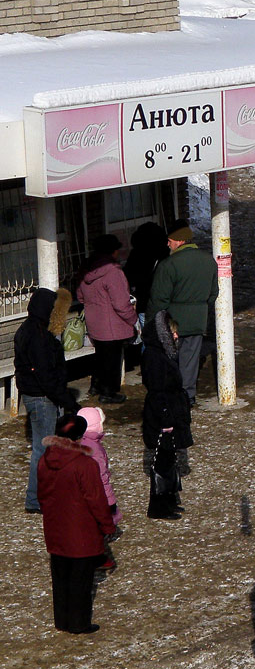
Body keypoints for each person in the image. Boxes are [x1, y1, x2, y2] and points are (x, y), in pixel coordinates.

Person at [38, 413, 116, 634]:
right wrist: (107, 526)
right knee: (81, 580)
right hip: (81, 531)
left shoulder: (45, 459)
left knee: (61, 577)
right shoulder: (84, 464)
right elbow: (96, 500)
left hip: (55, 527)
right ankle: (79, 623)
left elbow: (41, 494)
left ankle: (62, 620)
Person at [15, 288, 80, 514]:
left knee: (44, 448)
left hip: (36, 395)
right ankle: (34, 500)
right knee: (42, 451)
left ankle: (45, 494)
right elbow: (46, 376)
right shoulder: (38, 337)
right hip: (42, 398)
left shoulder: (29, 330)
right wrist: (67, 400)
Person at [147, 220, 217, 406]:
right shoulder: (208, 260)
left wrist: (152, 323)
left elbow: (158, 299)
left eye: (169, 240)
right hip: (197, 320)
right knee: (190, 360)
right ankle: (187, 395)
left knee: (169, 360)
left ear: (178, 241)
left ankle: (170, 394)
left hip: (172, 321)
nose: (167, 244)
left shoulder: (168, 265)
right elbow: (213, 294)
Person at [141, 311, 194, 520]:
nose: (176, 336)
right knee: (162, 462)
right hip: (164, 416)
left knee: (170, 460)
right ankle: (159, 506)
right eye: (173, 333)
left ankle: (169, 501)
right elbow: (157, 391)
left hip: (170, 412)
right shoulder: (154, 357)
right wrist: (166, 419)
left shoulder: (161, 354)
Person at [76, 233, 138, 404]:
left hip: (94, 321)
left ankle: (96, 386)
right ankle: (108, 392)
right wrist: (133, 319)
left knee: (100, 356)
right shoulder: (113, 272)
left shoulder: (86, 268)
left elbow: (80, 296)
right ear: (113, 251)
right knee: (112, 359)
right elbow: (120, 303)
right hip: (112, 323)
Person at [79, 406, 123, 573]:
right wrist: (110, 501)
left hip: (85, 495)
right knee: (97, 529)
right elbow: (102, 478)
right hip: (98, 496)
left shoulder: (82, 444)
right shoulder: (95, 449)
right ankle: (97, 557)